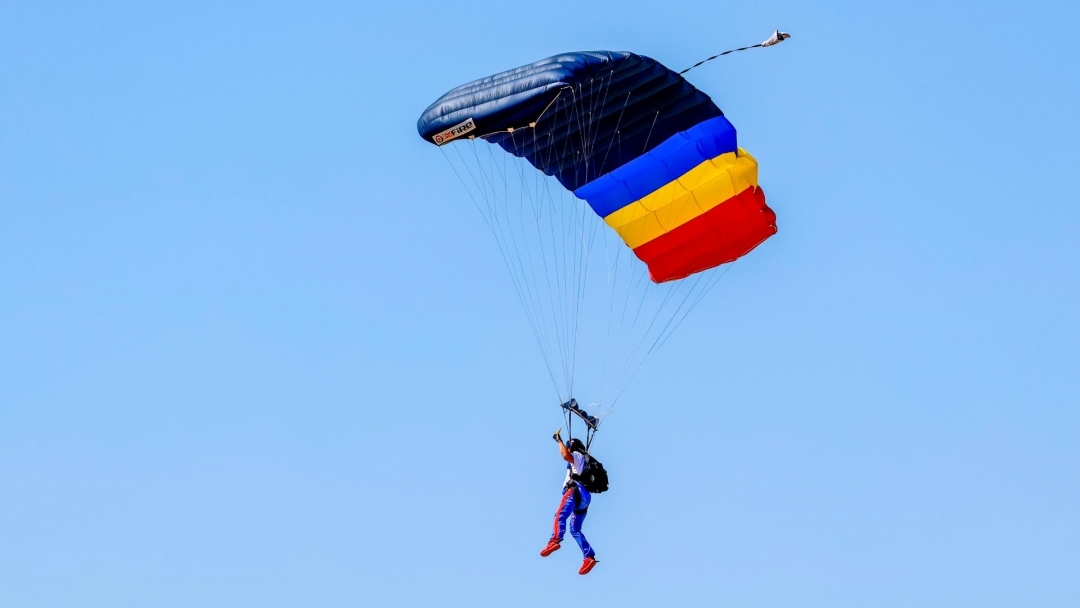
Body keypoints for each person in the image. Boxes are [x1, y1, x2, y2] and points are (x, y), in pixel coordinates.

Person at [540, 430, 598, 575]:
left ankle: (555, 540)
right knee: (575, 529)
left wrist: (559, 440)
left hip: (574, 491)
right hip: (585, 498)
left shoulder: (576, 456)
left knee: (560, 515)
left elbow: (565, 454)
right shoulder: (585, 460)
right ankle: (589, 557)